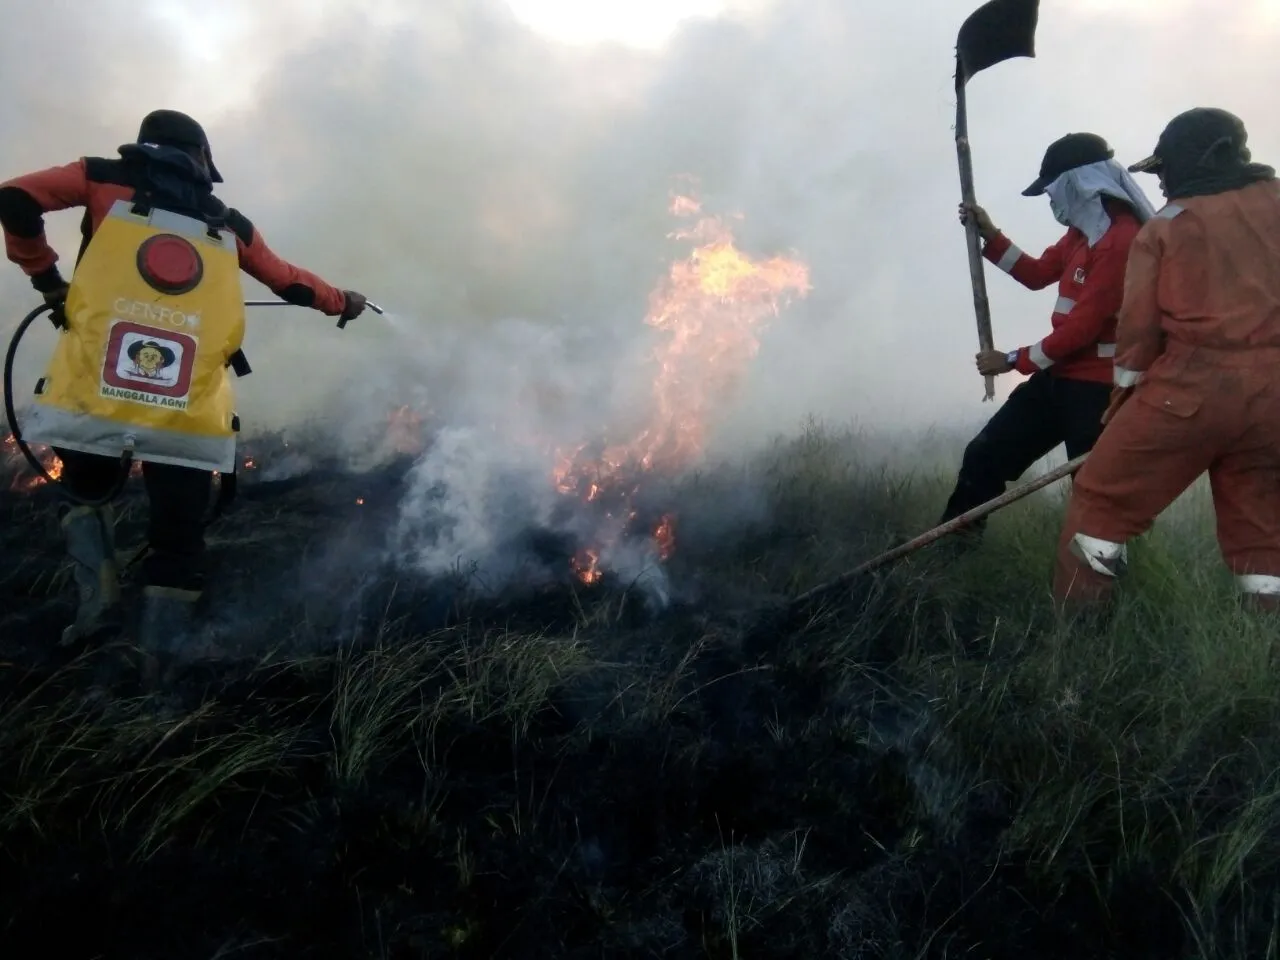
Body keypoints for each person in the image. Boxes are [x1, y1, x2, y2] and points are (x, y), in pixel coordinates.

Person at [0, 109, 368, 656]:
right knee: (179, 534)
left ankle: (97, 607)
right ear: (202, 159)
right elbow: (290, 282)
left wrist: (47, 278)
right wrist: (345, 300)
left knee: (86, 496)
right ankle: (159, 661)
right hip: (188, 413)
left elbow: (15, 198)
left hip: (94, 395)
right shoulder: (228, 223)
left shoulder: (100, 177)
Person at [1054, 108, 1280, 613]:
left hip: (1190, 391)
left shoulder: (1166, 228)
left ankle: (1077, 636)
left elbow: (1137, 339)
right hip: (1274, 402)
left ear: (1205, 156)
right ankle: (1266, 643)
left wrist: (1121, 406)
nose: (1161, 181)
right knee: (1262, 529)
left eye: (1164, 168)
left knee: (1101, 499)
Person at [939, 132, 1155, 545]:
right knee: (985, 454)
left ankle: (1100, 588)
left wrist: (1012, 360)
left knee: (1095, 493)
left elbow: (1082, 330)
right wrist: (991, 234)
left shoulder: (1121, 240)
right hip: (1059, 379)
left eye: (1054, 191)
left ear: (1078, 184)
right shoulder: (1082, 234)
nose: (1052, 203)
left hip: (1098, 393)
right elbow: (1038, 274)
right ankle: (950, 551)